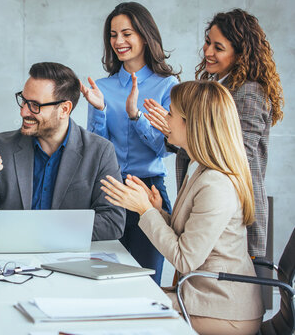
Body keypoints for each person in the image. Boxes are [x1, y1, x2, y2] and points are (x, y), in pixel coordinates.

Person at [101, 81, 264, 335]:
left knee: (118, 318)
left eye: (171, 114)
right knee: (118, 300)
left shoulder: (216, 184)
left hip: (223, 312)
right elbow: (191, 235)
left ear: (192, 124)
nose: (165, 119)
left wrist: (146, 211)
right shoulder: (199, 169)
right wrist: (158, 211)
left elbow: (185, 259)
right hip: (203, 298)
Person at [144, 8, 284, 258]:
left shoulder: (248, 92)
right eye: (208, 42)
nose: (207, 52)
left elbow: (237, 156)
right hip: (215, 212)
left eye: (218, 47)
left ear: (241, 54)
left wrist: (181, 133)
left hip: (236, 216)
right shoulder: (222, 85)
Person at [0, 62, 126, 240]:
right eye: (23, 101)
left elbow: (112, 222)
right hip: (10, 258)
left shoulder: (99, 151)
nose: (24, 112)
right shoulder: (2, 145)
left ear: (64, 109)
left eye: (35, 105)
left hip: (70, 258)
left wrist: (41, 231)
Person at [80, 2, 179, 284]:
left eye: (127, 33)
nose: (119, 42)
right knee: (103, 278)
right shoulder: (103, 86)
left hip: (148, 191)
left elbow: (164, 147)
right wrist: (99, 110)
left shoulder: (167, 85)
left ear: (145, 36)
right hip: (109, 190)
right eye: (113, 34)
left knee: (145, 280)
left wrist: (136, 116)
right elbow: (96, 149)